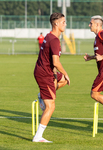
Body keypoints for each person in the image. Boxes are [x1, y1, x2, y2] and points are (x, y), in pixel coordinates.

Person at [33, 12, 70, 143]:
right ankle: (38, 136)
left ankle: (42, 96)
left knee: (64, 81)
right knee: (51, 106)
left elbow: (51, 62)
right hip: (44, 74)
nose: (65, 24)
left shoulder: (50, 36)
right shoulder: (53, 39)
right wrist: (65, 72)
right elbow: (56, 62)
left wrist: (59, 75)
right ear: (56, 23)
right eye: (63, 22)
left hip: (46, 71)